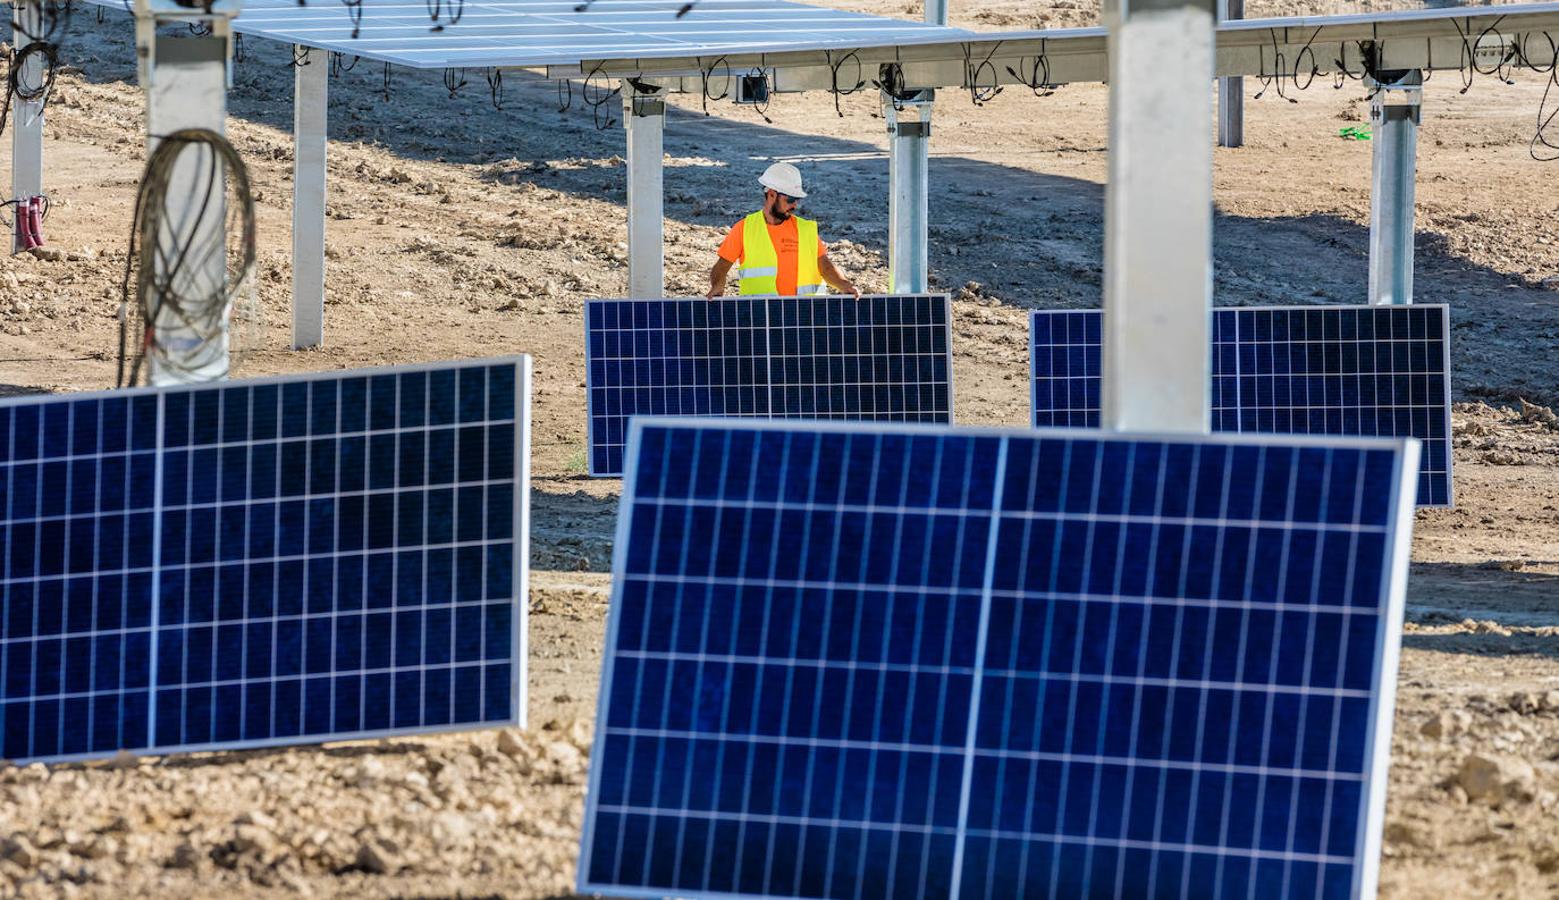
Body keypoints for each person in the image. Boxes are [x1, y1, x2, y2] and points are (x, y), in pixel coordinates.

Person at [705, 162, 861, 300]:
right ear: (772, 194)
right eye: (790, 200)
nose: (795, 206)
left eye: (797, 200)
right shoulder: (744, 228)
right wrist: (717, 285)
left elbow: (825, 267)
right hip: (761, 317)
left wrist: (844, 285)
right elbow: (721, 266)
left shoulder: (805, 229)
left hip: (806, 316)